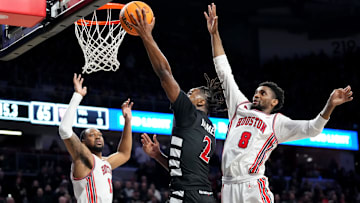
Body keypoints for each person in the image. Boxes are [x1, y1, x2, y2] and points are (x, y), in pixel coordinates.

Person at [204, 3, 354, 203]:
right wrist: (214, 34)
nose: (256, 95)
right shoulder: (239, 106)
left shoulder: (277, 122)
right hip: (228, 186)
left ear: (274, 101)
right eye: (256, 92)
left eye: (263, 93)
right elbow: (223, 71)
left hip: (252, 185)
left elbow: (313, 129)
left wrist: (330, 105)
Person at [130, 9, 224, 203]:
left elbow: (165, 73)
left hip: (186, 196)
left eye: (191, 93)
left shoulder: (189, 113)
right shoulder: (210, 129)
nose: (186, 94)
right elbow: (185, 169)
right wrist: (158, 156)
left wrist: (146, 36)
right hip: (205, 196)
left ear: (200, 102)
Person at [58, 73, 133, 203]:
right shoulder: (84, 158)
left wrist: (127, 121)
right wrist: (78, 96)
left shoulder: (105, 163)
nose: (98, 137)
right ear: (83, 142)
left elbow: (124, 153)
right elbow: (64, 129)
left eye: (100, 135)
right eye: (92, 135)